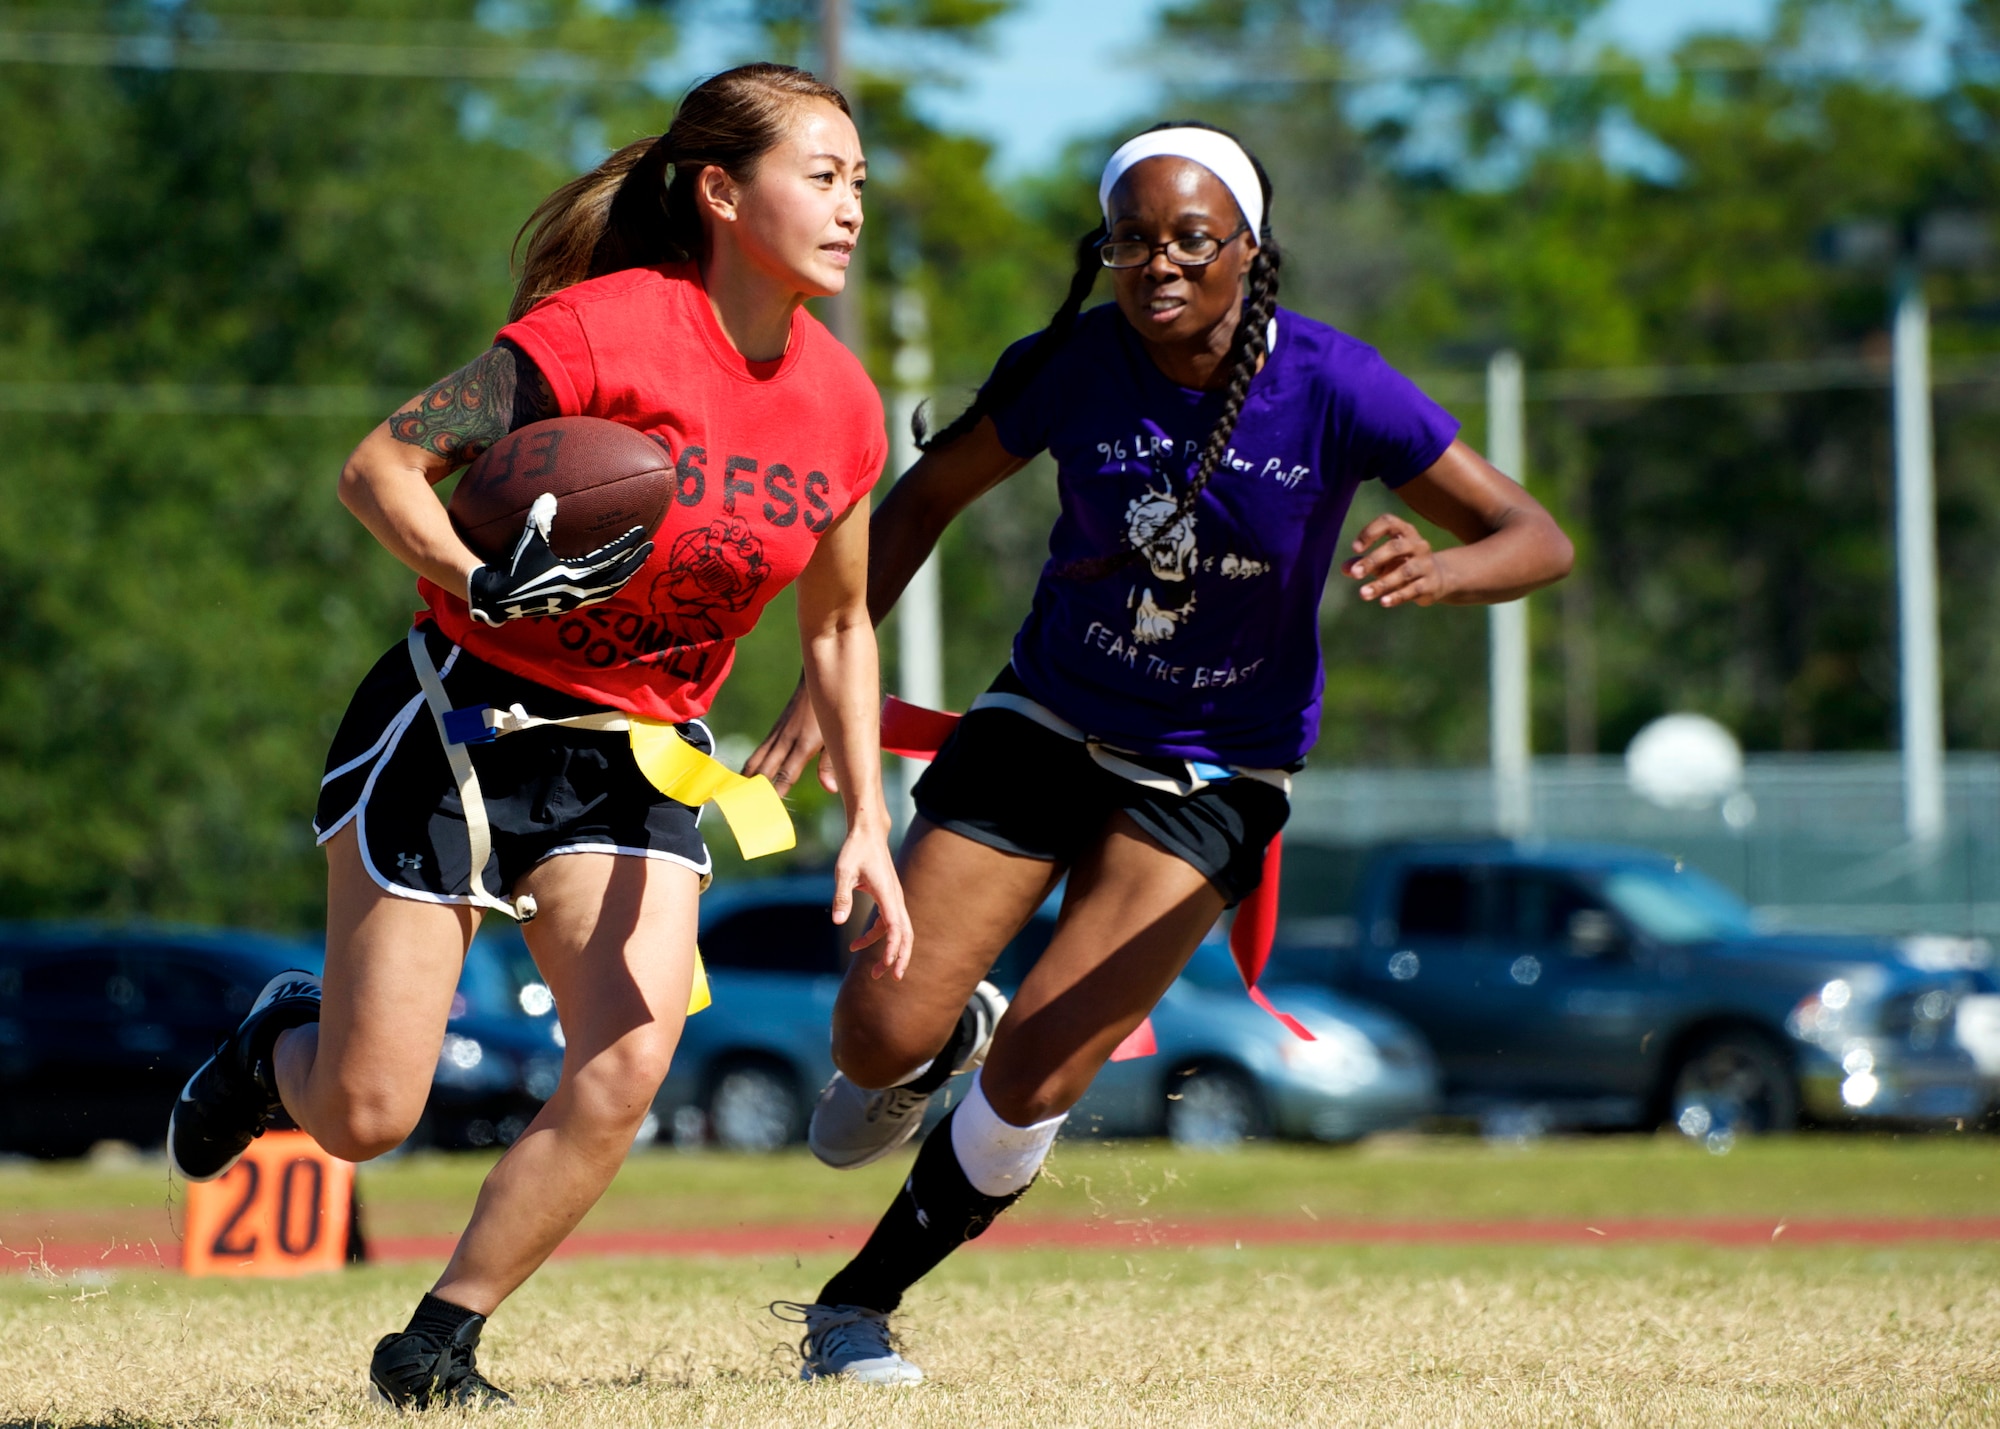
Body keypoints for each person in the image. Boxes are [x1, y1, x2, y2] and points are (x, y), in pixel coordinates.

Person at [749, 121, 1574, 1384]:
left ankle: (853, 1308)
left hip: (1212, 771)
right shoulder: (1075, 365)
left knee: (1037, 1071)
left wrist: (1449, 567)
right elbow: (913, 503)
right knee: (872, 1036)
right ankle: (937, 1031)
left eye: (1190, 237)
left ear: (1248, 247)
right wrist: (830, 672)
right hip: (1044, 719)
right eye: (1129, 240)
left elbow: (1535, 535)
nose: (1159, 263)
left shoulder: (1335, 382)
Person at [166, 63, 911, 1409]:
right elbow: (380, 465)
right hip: (462, 720)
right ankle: (280, 1045)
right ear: (722, 193)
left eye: (860, 178)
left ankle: (438, 1341)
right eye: (823, 174)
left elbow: (843, 628)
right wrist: (476, 576)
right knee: (370, 1112)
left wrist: (869, 815)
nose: (852, 205)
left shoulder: (846, 405)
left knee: (628, 1060)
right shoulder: (600, 332)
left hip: (632, 755)